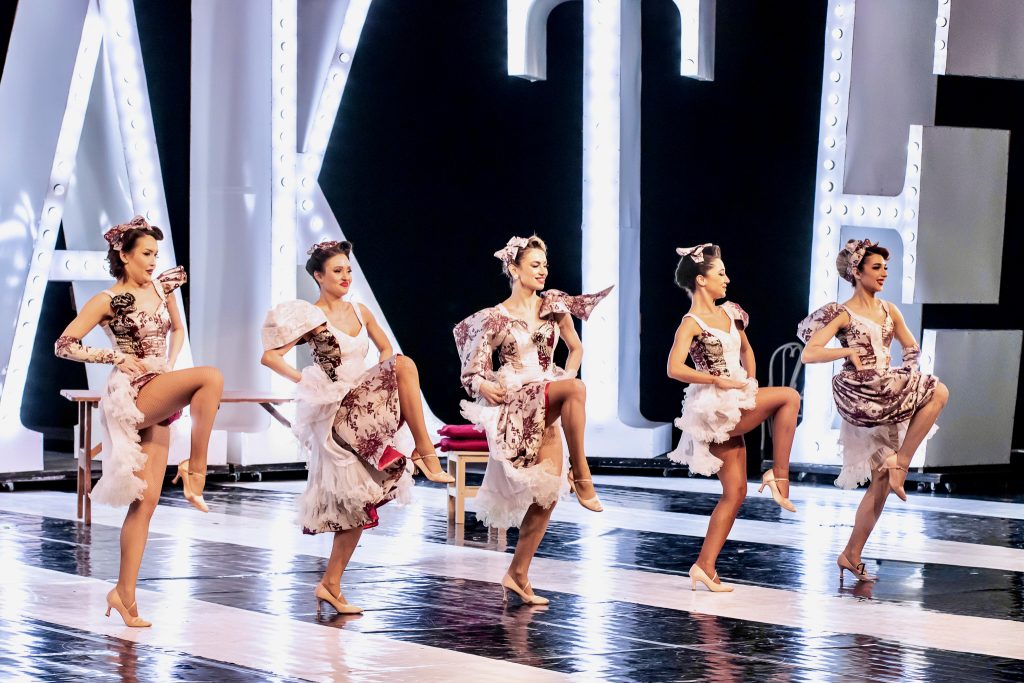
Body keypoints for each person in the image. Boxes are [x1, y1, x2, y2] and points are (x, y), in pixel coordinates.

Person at [260, 240, 452, 616]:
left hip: (363, 399)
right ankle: (425, 452)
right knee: (354, 501)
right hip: (334, 408)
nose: (346, 276)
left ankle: (330, 584)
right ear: (319, 276)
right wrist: (305, 379)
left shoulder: (361, 311)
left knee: (359, 502)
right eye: (337, 271)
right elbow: (269, 356)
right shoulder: (311, 315)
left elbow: (385, 349)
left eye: (348, 270)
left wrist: (374, 375)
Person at [55, 216, 224, 626]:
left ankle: (124, 594)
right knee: (211, 377)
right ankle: (196, 471)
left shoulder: (163, 288)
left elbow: (178, 330)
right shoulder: (108, 300)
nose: (153, 261)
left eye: (155, 254)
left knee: (145, 502)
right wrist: (114, 356)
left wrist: (168, 364)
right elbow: (64, 345)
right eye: (146, 253)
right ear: (124, 255)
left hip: (158, 383)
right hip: (131, 392)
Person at [454, 235, 611, 605]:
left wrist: (565, 376)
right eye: (535, 265)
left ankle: (517, 574)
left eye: (545, 265)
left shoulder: (554, 306)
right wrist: (483, 385)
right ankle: (583, 475)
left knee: (547, 495)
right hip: (517, 399)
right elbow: (472, 370)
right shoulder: (495, 317)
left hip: (548, 393)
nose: (543, 271)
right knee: (576, 390)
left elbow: (576, 347)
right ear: (514, 269)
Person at [799, 239, 948, 583]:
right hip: (863, 397)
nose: (883, 273)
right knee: (883, 476)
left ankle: (851, 554)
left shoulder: (889, 310)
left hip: (888, 389)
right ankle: (898, 468)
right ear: (857, 271)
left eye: (885, 268)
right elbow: (810, 352)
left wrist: (907, 369)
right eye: (876, 267)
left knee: (883, 479)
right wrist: (847, 353)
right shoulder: (843, 313)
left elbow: (910, 347)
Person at [666, 244, 800, 592]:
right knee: (789, 397)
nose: (727, 279)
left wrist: (750, 382)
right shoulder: (691, 323)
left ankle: (704, 566)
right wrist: (715, 380)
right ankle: (778, 475)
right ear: (701, 279)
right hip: (714, 406)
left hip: (737, 395)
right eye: (720, 273)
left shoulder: (730, 312)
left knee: (736, 491)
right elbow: (674, 368)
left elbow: (746, 350)